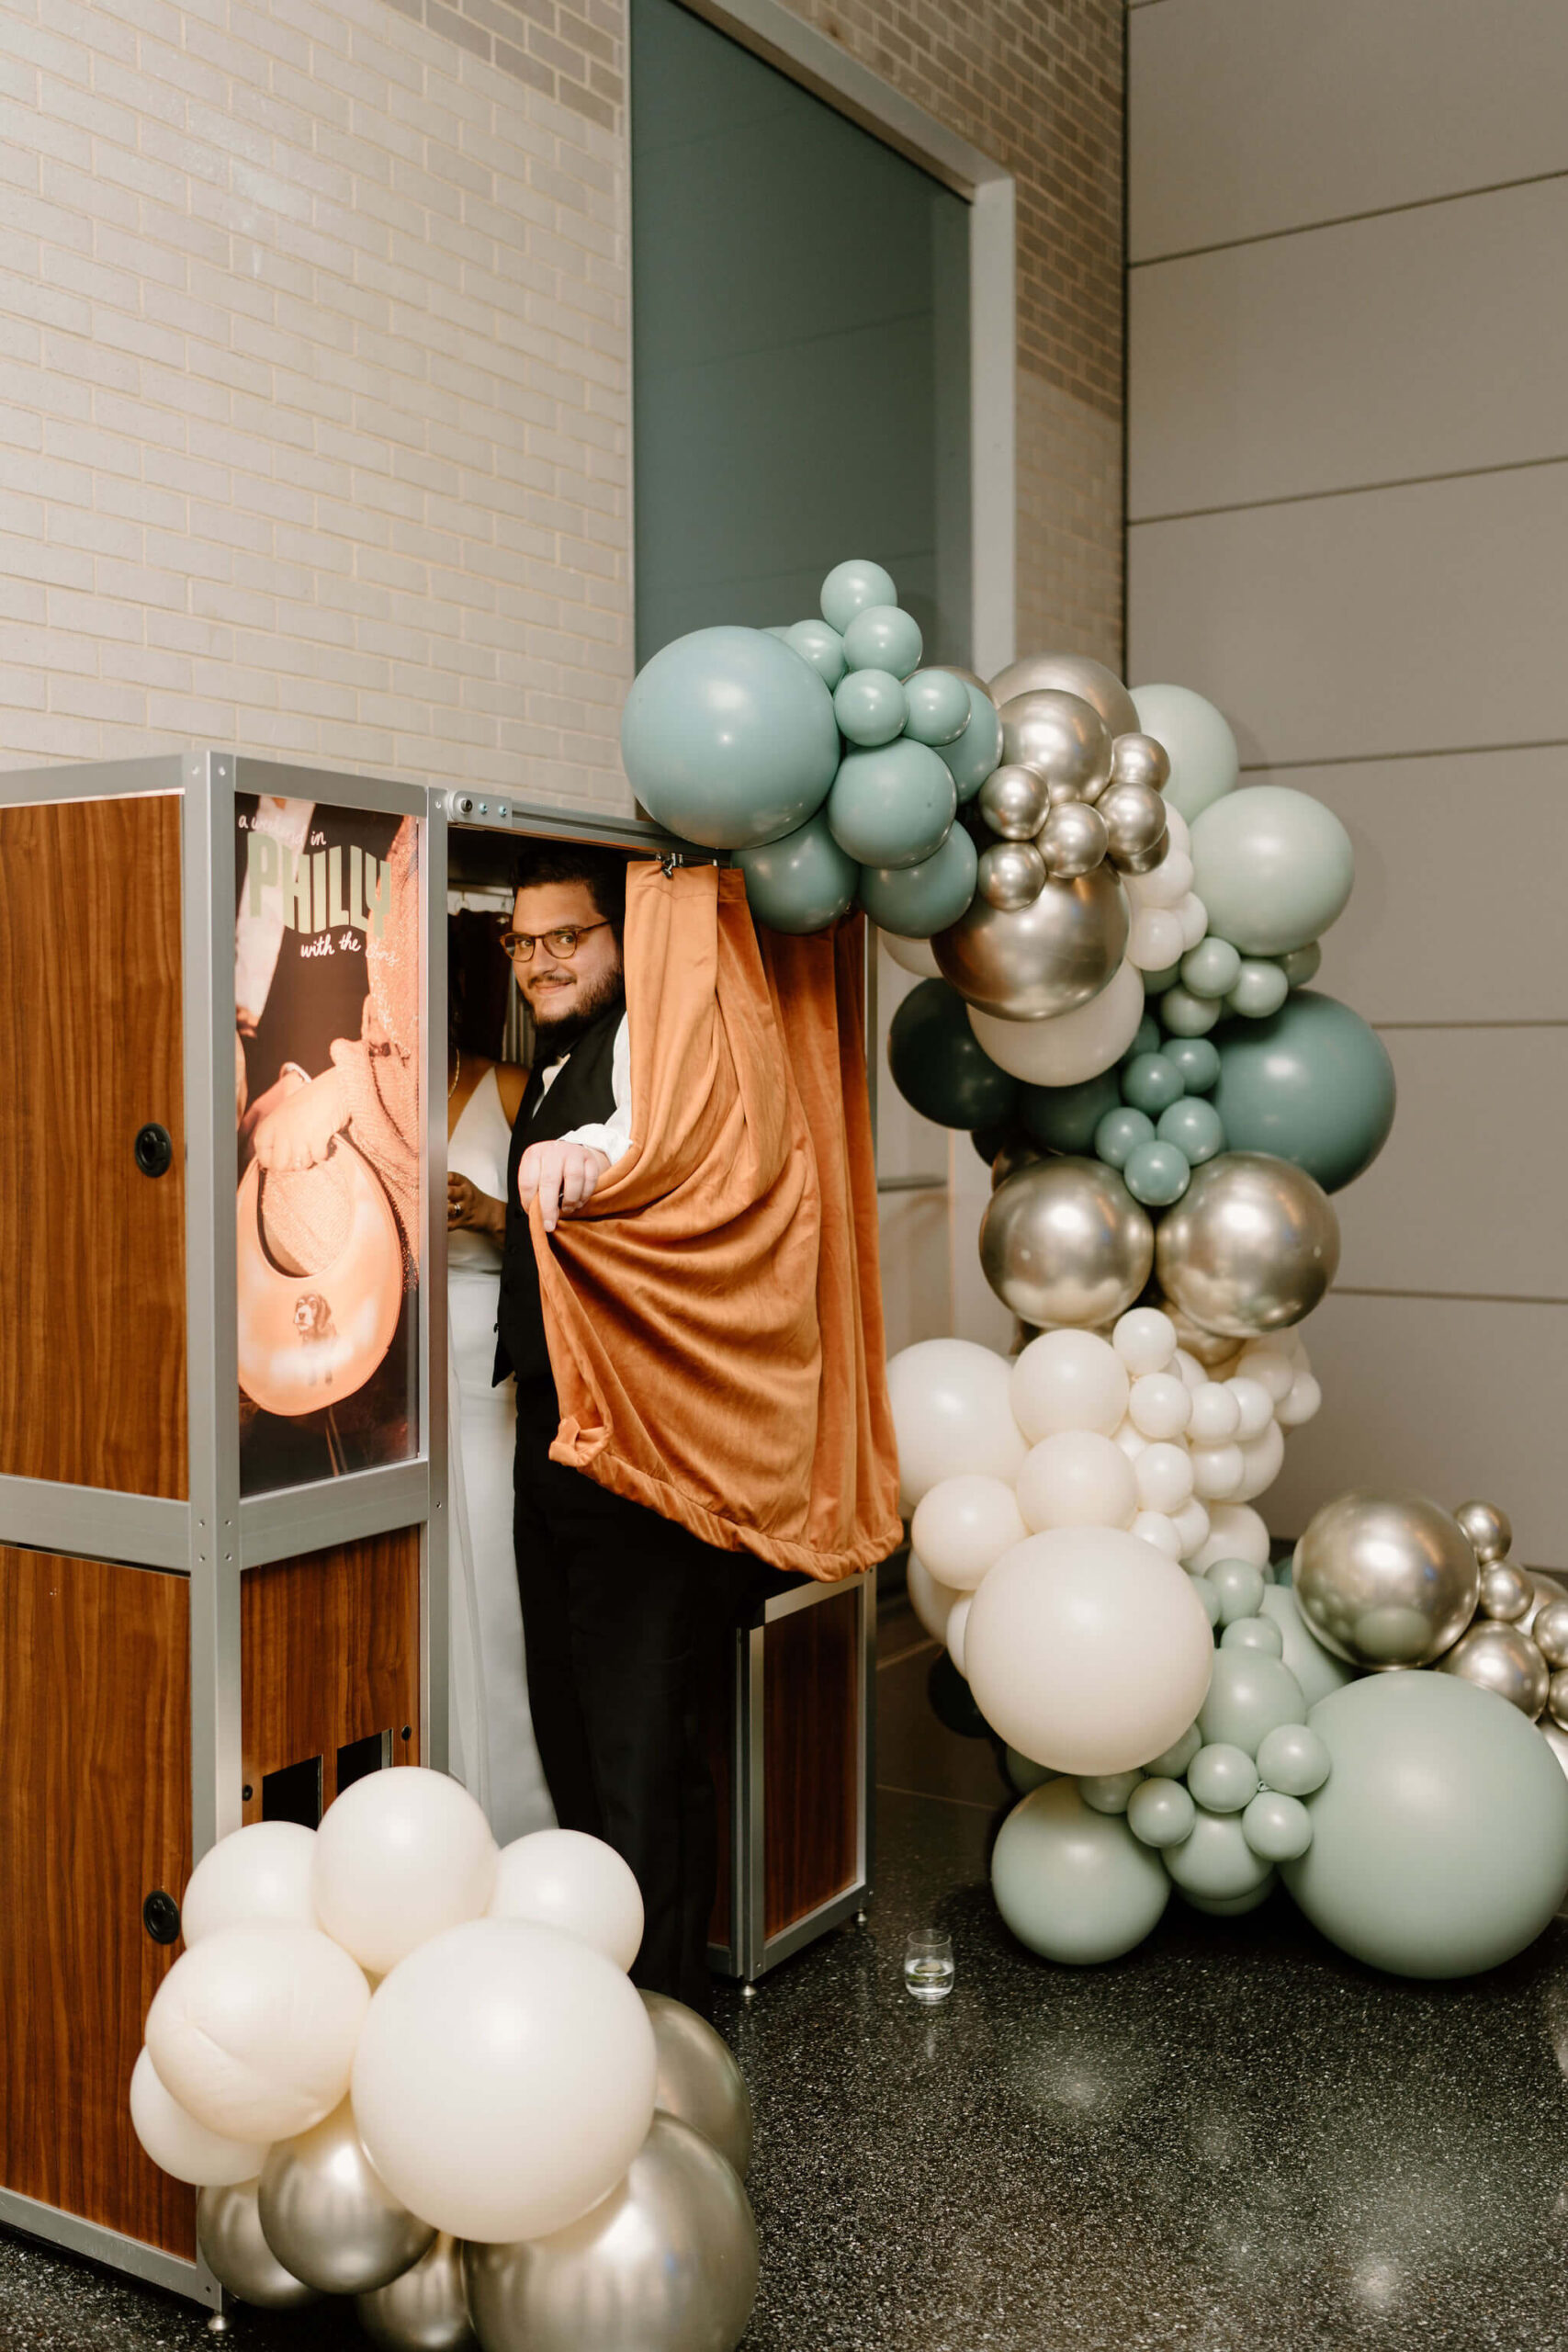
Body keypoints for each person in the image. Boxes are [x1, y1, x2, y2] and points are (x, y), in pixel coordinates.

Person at [494, 842, 737, 2013]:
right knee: (573, 1723)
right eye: (522, 941)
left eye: (566, 938)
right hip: (549, 1434)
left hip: (634, 1442)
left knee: (643, 1741)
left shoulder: (649, 1041)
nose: (541, 961)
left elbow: (642, 1139)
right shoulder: (549, 1066)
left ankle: (667, 2013)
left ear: (621, 941)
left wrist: (587, 1155)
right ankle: (603, 1989)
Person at [446, 1037, 556, 1843]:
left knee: (492, 1583)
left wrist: (488, 1212)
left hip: (488, 1363)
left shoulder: (511, 1090)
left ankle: (516, 1819)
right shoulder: (361, 1084)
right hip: (392, 1369)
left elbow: (579, 1234)